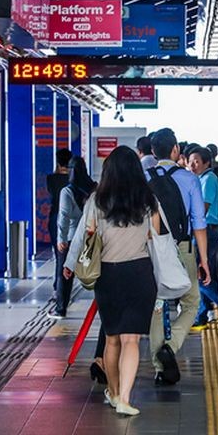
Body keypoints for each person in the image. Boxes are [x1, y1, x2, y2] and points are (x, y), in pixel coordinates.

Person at [74, 146, 160, 416]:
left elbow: (88, 237)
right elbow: (155, 236)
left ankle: (113, 392)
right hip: (139, 273)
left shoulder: (97, 200)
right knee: (131, 340)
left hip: (108, 276)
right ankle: (124, 397)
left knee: (112, 339)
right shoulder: (147, 199)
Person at [146, 129, 211, 385]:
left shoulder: (144, 177)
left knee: (157, 305)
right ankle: (170, 348)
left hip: (151, 249)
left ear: (153, 152)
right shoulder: (189, 179)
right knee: (192, 301)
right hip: (183, 248)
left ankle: (159, 368)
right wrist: (203, 260)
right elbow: (199, 223)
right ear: (175, 150)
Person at [49, 156, 96, 319]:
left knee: (64, 274)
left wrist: (60, 238)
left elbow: (63, 216)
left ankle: (60, 309)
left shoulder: (67, 191)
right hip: (91, 236)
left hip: (70, 237)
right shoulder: (94, 188)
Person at [188, 147, 218, 329]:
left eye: (196, 161)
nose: (192, 165)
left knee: (200, 276)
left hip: (206, 231)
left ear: (207, 162)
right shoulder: (200, 179)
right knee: (200, 275)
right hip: (205, 230)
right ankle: (201, 313)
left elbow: (203, 209)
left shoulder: (208, 180)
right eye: (190, 161)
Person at [48, 148, 72, 300]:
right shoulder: (73, 179)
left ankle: (58, 287)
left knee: (58, 254)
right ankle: (64, 286)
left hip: (54, 217)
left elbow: (51, 193)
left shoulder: (51, 178)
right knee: (68, 254)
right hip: (71, 219)